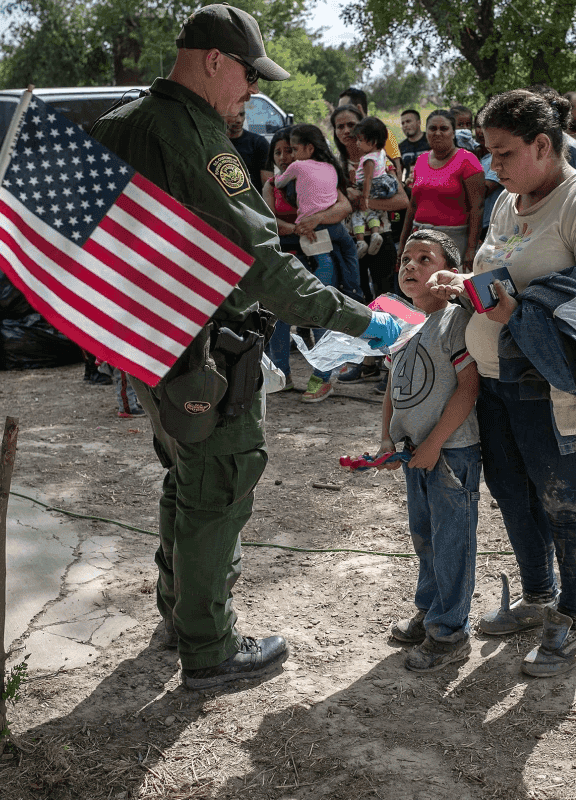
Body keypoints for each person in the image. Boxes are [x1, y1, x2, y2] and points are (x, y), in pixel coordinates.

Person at [89, 3, 401, 690]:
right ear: (212, 61)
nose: (254, 92)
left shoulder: (122, 122)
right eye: (249, 76)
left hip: (151, 342)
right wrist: (359, 320)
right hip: (203, 350)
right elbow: (259, 265)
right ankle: (210, 647)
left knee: (186, 475)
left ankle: (181, 612)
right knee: (220, 483)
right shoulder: (190, 133)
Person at [429, 89, 576, 677]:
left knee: (566, 503)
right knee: (515, 497)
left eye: (504, 153)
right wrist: (463, 280)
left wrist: (518, 314)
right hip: (497, 383)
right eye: (488, 153)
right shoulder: (508, 203)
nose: (492, 167)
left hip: (554, 391)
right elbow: (503, 273)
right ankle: (539, 598)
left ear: (543, 146)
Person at [378, 229, 481, 672]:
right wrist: (387, 437)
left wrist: (436, 443)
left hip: (451, 451)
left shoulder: (456, 321)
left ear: (450, 274)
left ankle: (449, 631)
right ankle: (430, 609)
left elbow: (469, 386)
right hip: (414, 452)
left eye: (425, 259)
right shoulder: (403, 327)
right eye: (405, 259)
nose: (411, 266)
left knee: (451, 538)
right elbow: (391, 390)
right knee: (424, 535)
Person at [259, 126, 355, 392]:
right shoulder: (271, 185)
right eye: (277, 152)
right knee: (279, 319)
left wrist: (315, 219)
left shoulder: (320, 175)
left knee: (320, 314)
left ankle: (322, 379)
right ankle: (281, 374)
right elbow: (268, 222)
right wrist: (295, 229)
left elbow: (344, 206)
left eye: (289, 150)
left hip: (318, 258)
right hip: (285, 258)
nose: (284, 156)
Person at [271, 123, 366, 305]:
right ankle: (353, 291)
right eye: (280, 152)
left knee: (324, 261)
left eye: (293, 149)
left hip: (312, 229)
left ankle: (321, 300)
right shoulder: (330, 167)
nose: (289, 156)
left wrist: (276, 178)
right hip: (335, 228)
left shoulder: (297, 166)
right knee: (349, 250)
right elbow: (344, 205)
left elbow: (279, 183)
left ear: (309, 148)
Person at [330, 104, 410, 303]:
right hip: (347, 242)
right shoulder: (331, 165)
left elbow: (402, 201)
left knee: (386, 299)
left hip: (380, 238)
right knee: (356, 299)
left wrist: (365, 202)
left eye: (352, 124)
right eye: (340, 126)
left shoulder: (382, 161)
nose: (347, 131)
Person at [398, 109, 485, 271]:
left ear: (453, 133)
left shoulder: (468, 161)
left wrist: (471, 249)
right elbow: (413, 206)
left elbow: (477, 208)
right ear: (426, 132)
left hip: (455, 241)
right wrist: (403, 243)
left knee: (450, 290)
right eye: (432, 128)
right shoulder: (421, 160)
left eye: (443, 129)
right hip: (419, 238)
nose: (437, 133)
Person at [350, 116, 401, 257]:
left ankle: (361, 242)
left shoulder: (368, 159)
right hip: (382, 186)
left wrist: (365, 198)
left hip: (371, 188)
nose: (357, 143)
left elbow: (368, 178)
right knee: (372, 214)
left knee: (358, 215)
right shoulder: (381, 153)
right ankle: (375, 234)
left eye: (360, 140)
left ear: (372, 142)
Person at [338, 86, 402, 176]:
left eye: (344, 109)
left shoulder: (383, 134)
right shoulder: (345, 137)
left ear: (359, 109)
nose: (340, 113)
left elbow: (397, 173)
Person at [224, 107, 269, 193]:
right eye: (234, 115)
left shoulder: (259, 143)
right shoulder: (215, 143)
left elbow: (267, 184)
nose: (239, 120)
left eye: (242, 114)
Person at [398, 109, 430, 184]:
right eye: (403, 123)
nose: (405, 125)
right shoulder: (400, 147)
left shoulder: (430, 140)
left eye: (408, 121)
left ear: (419, 122)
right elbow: (399, 172)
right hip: (410, 188)